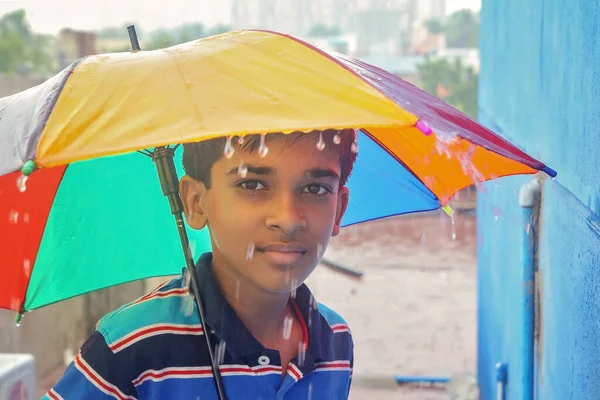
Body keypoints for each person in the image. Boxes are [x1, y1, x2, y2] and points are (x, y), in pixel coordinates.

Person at [44, 129, 357, 399]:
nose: (288, 220)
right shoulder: (132, 347)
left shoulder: (335, 340)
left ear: (339, 209)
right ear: (195, 201)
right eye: (253, 185)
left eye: (315, 189)